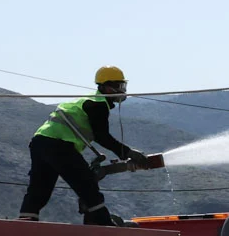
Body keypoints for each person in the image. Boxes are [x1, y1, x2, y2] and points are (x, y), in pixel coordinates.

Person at [18, 67, 153, 225]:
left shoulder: (89, 100)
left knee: (39, 188)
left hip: (40, 142)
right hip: (59, 144)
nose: (121, 90)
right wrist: (128, 152)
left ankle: (26, 222)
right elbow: (102, 136)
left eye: (122, 86)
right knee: (87, 184)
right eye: (117, 86)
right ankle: (103, 225)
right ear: (104, 86)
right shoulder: (98, 103)